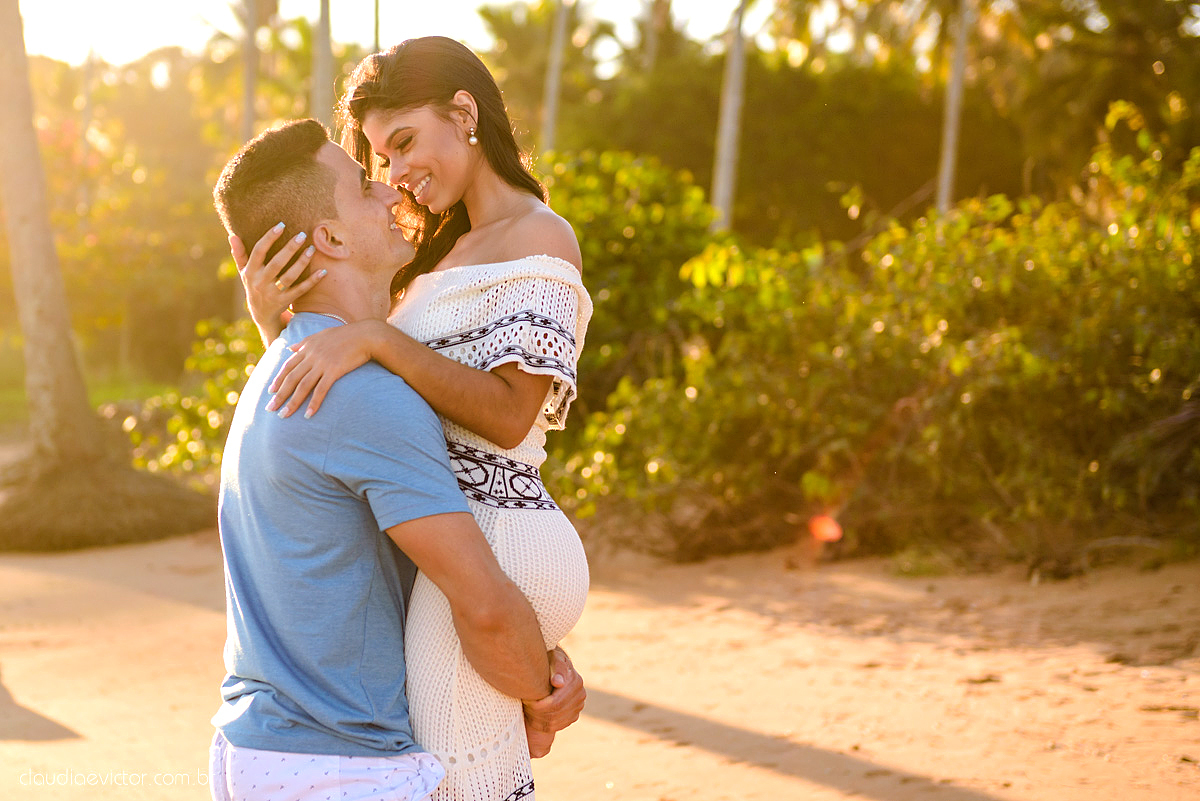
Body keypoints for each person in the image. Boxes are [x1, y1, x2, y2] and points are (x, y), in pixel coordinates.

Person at [233, 37, 592, 801]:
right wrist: (282, 329)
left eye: (402, 142)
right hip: (460, 547)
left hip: (499, 528)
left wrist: (372, 337)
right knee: (470, 771)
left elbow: (506, 413)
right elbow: (355, 419)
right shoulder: (435, 253)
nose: (395, 174)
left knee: (466, 784)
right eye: (378, 159)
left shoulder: (541, 235)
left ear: (464, 113)